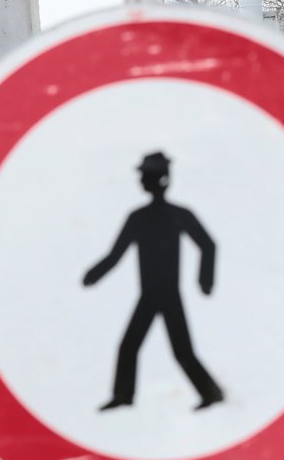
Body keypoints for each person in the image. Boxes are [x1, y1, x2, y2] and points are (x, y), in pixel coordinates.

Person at [84, 151, 223, 411]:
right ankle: (124, 396)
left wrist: (205, 281)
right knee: (132, 346)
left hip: (168, 294)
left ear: (159, 180)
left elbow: (208, 245)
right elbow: (116, 255)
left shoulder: (176, 214)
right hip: (149, 295)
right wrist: (94, 274)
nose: (142, 181)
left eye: (146, 176)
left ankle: (211, 393)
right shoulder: (138, 217)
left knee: (179, 350)